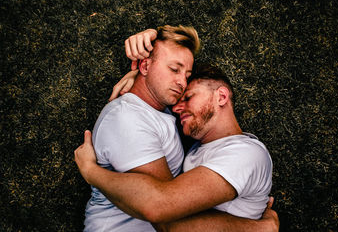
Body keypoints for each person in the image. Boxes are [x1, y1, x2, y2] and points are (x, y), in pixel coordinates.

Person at [76, 47, 279, 230]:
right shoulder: (199, 149)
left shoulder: (245, 154)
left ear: (222, 97)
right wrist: (139, 75)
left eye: (189, 98)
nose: (176, 108)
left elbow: (165, 217)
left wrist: (91, 172)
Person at [81, 25, 199, 231]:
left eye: (187, 75)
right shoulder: (127, 120)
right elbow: (167, 214)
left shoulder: (158, 108)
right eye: (174, 69)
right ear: (144, 67)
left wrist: (152, 33)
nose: (182, 82)